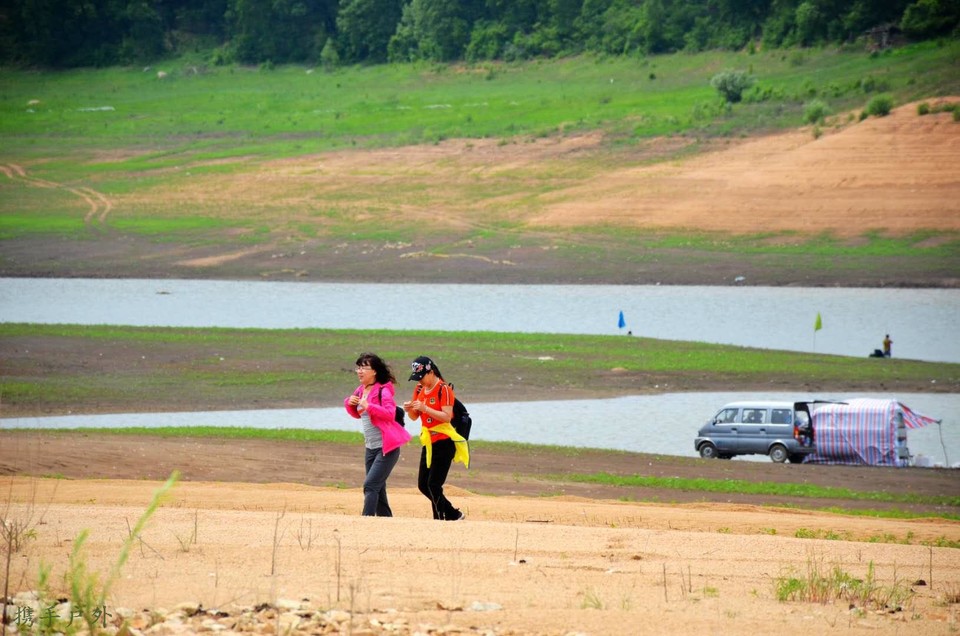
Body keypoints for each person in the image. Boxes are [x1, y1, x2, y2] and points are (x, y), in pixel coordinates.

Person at [344, 353, 411, 517]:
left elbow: (389, 413)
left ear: (374, 371)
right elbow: (358, 414)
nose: (359, 371)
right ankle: (385, 520)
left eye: (364, 368)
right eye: (358, 367)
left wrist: (369, 406)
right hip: (371, 448)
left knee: (371, 485)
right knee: (378, 487)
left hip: (386, 447)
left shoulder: (383, 390)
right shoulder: (361, 390)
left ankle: (366, 519)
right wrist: (350, 403)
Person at [403, 355, 467, 521]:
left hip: (444, 441)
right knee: (423, 485)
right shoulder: (419, 389)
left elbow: (446, 416)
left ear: (431, 372)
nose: (421, 382)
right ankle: (452, 514)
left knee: (433, 484)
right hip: (429, 441)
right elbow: (414, 417)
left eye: (422, 377)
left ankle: (443, 517)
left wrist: (425, 407)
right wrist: (409, 409)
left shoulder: (443, 389)